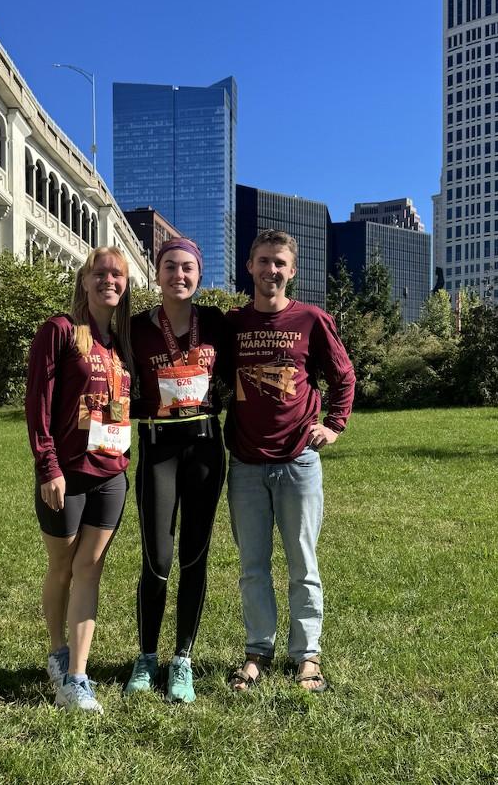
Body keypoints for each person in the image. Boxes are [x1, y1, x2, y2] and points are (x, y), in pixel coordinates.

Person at [224, 229, 355, 694]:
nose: (270, 270)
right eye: (263, 261)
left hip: (298, 460)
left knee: (303, 563)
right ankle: (257, 651)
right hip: (244, 464)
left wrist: (334, 425)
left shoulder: (311, 319)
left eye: (279, 262)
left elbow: (343, 375)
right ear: (250, 267)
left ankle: (308, 656)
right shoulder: (233, 324)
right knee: (252, 566)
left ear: (292, 270)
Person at [25, 246, 134, 713]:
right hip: (66, 475)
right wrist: (47, 466)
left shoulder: (124, 345)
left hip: (112, 473)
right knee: (63, 568)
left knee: (91, 570)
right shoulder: (60, 331)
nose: (108, 280)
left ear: (125, 285)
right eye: (100, 273)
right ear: (84, 281)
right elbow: (38, 403)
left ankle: (77, 677)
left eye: (117, 274)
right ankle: (57, 652)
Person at [124, 238, 232, 703]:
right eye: (170, 267)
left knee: (195, 555)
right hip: (157, 448)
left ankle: (182, 658)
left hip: (206, 448)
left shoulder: (216, 324)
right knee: (158, 557)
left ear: (199, 273)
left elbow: (245, 372)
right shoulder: (135, 328)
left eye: (188, 267)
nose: (179, 275)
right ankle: (147, 656)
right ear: (157, 272)